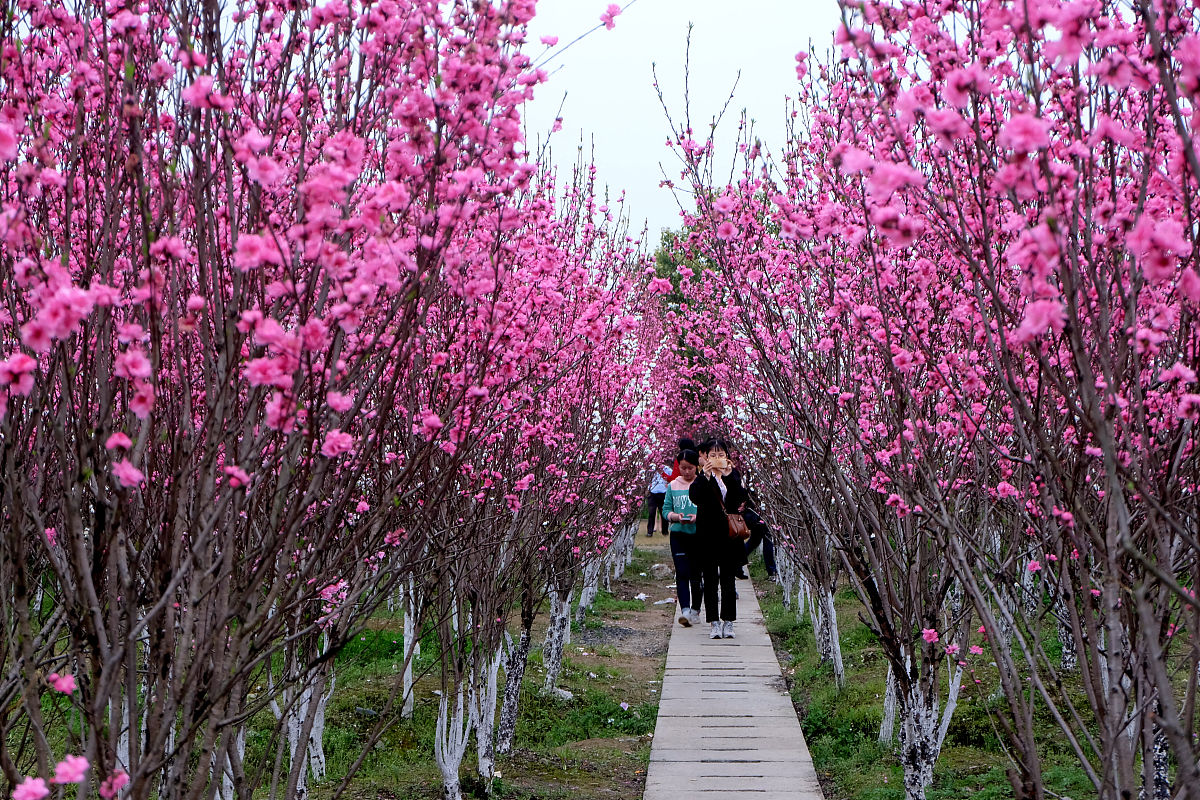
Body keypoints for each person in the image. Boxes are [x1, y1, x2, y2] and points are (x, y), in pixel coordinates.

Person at [690, 438, 748, 639]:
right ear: (705, 457)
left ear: (727, 456)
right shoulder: (702, 477)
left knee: (728, 581)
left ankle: (729, 622)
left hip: (729, 536)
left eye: (720, 454)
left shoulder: (733, 475)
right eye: (713, 455)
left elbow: (740, 499)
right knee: (710, 580)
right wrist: (705, 476)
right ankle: (714, 622)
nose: (717, 458)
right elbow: (695, 498)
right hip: (707, 535)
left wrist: (730, 476)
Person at [663, 449, 702, 627]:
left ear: (697, 467)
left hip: (698, 535)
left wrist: (698, 517)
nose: (687, 472)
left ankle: (695, 609)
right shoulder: (673, 485)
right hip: (678, 533)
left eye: (691, 468)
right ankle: (684, 610)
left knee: (696, 573)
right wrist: (675, 517)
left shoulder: (702, 484)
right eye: (684, 468)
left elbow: (710, 509)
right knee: (682, 572)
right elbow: (665, 510)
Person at [645, 466, 669, 537]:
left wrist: (669, 485)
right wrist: (648, 487)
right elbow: (647, 478)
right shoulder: (651, 468)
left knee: (663, 513)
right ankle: (650, 531)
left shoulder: (666, 469)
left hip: (663, 493)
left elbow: (672, 477)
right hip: (653, 493)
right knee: (651, 513)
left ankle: (664, 531)